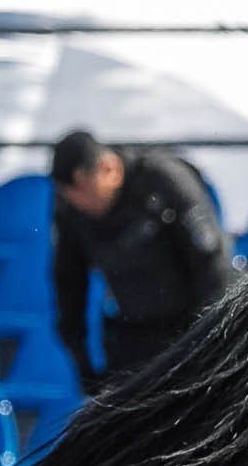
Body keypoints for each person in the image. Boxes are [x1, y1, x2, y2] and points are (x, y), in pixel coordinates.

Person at [50, 131, 235, 391]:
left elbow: (212, 264)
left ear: (108, 168)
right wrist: (82, 361)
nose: (79, 202)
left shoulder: (163, 179)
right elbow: (68, 281)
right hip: (135, 330)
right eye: (70, 195)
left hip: (192, 323)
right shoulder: (71, 210)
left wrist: (205, 345)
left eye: (83, 189)